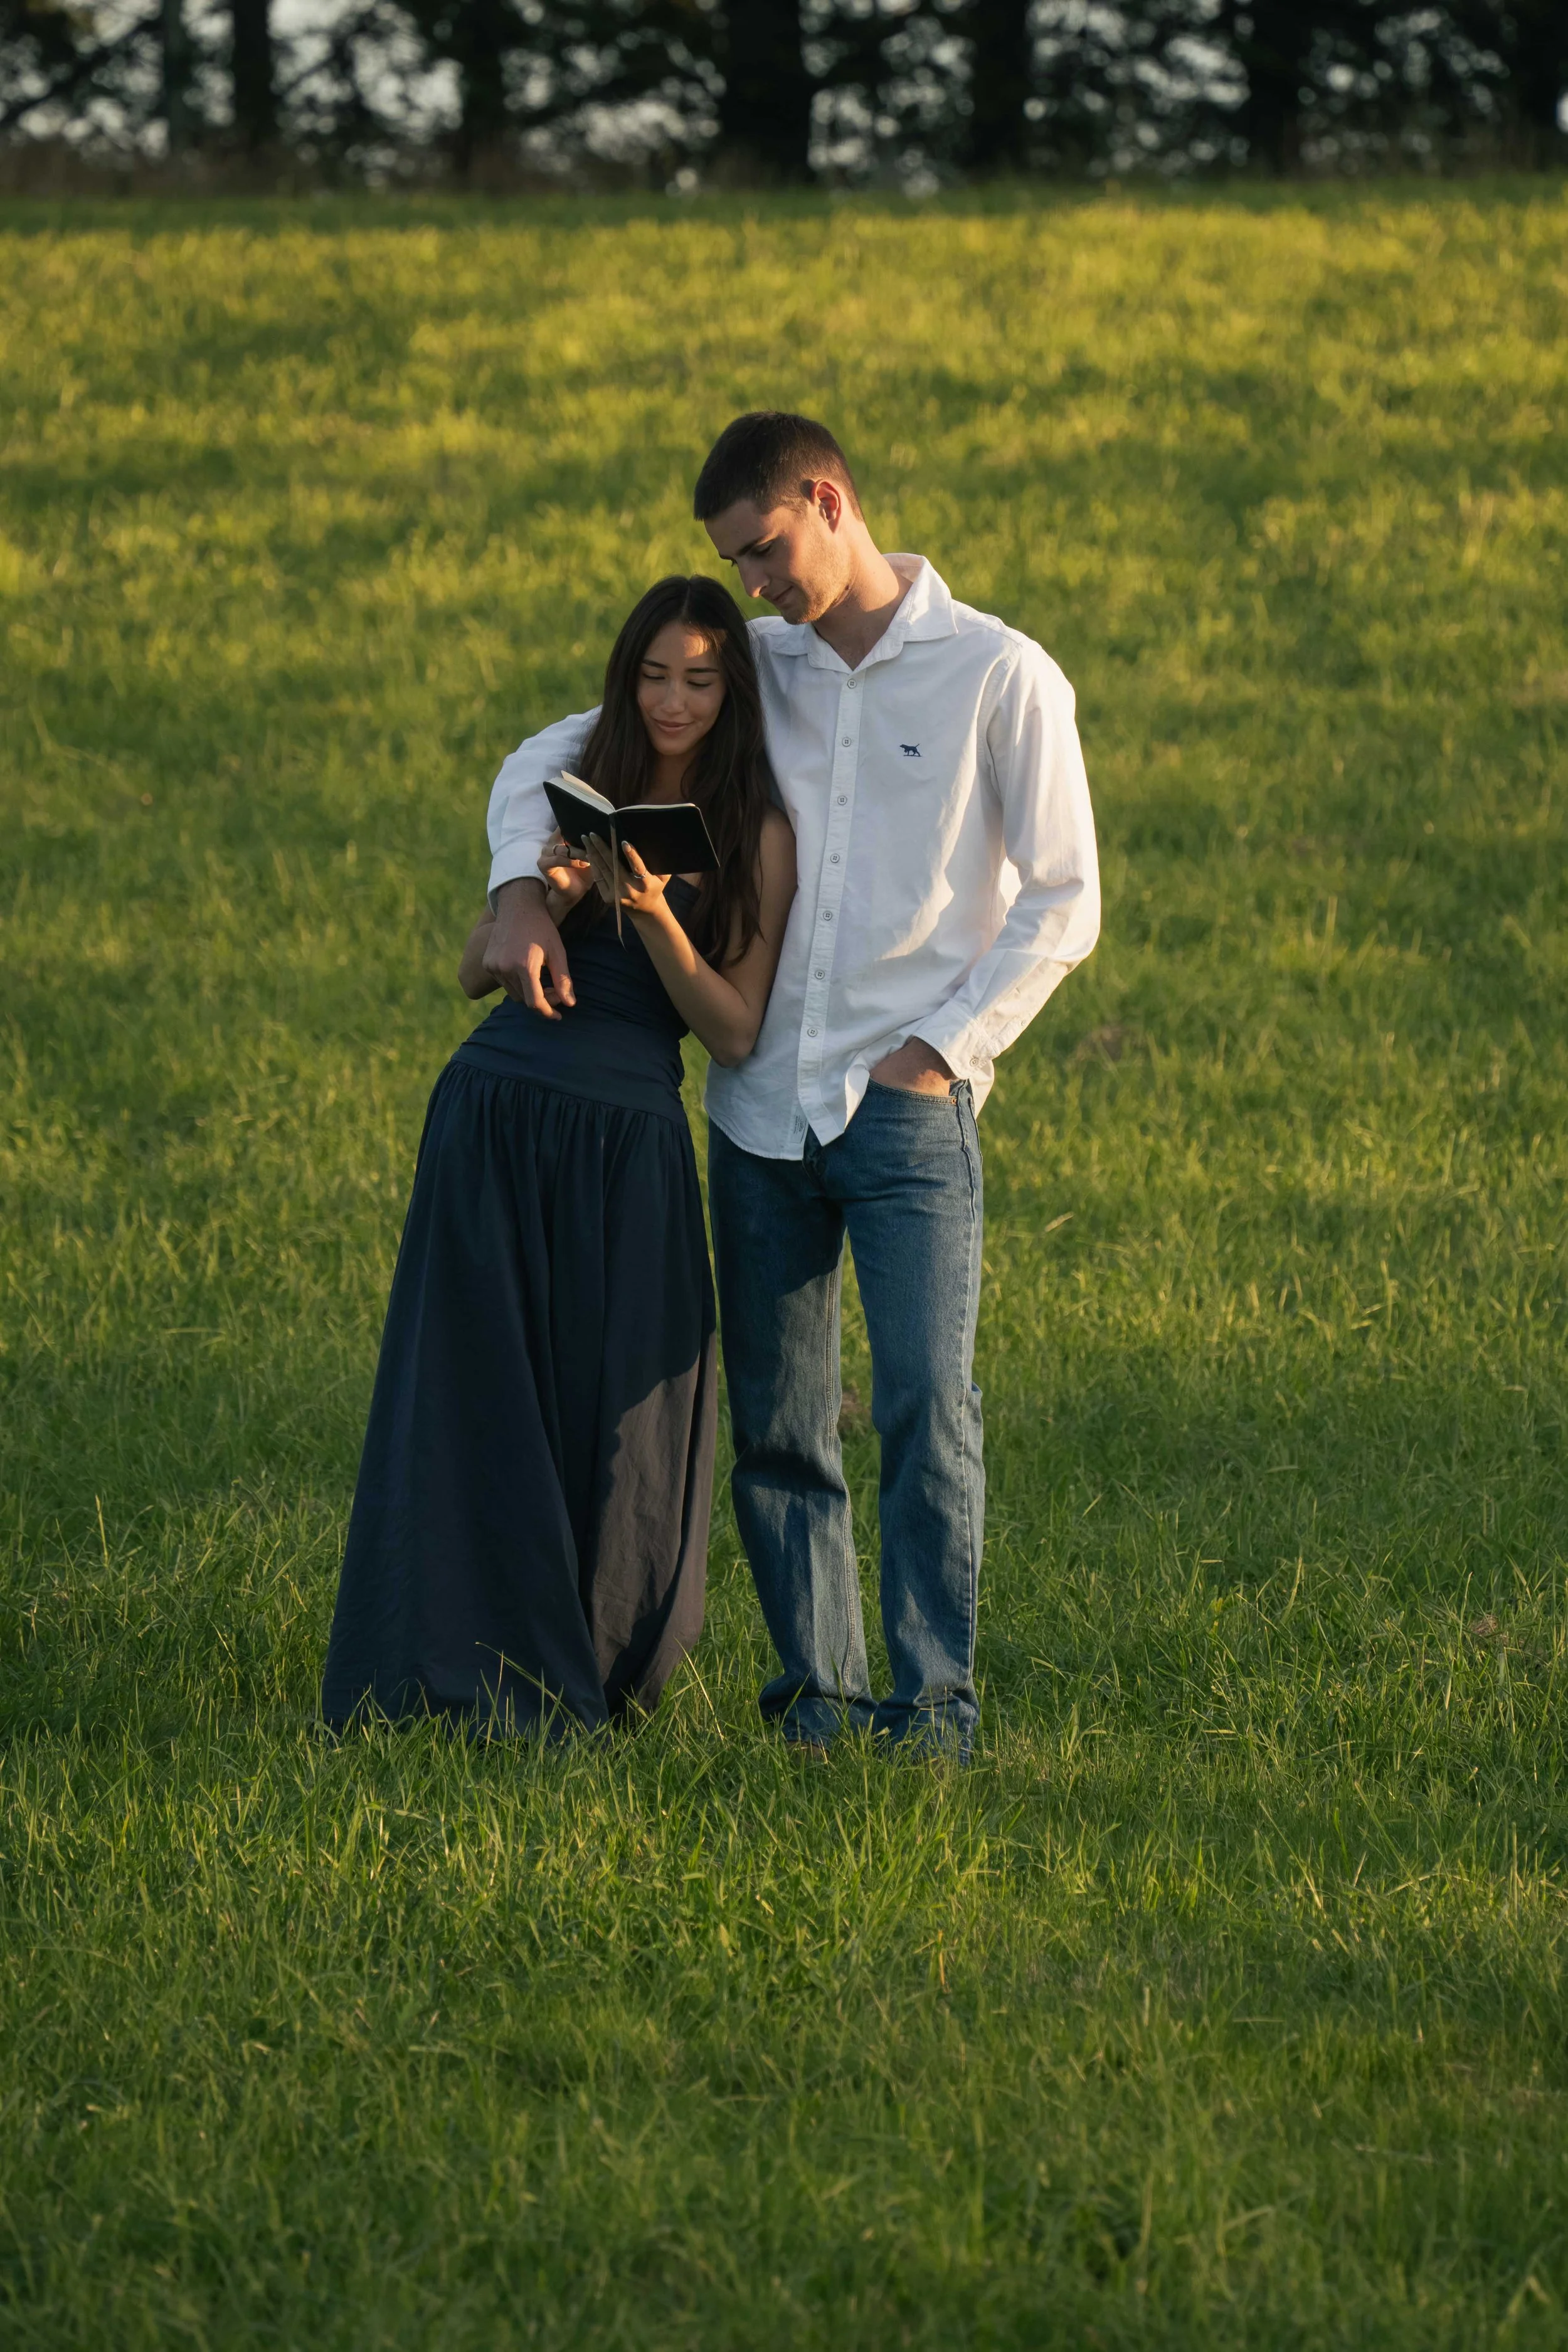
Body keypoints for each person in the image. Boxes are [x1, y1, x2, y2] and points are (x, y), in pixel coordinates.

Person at [481, 414, 1100, 1760]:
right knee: (776, 1427)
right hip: (757, 1114)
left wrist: (941, 1051)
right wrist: (520, 892)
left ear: (826, 500)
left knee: (924, 1409)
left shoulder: (999, 676)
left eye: (761, 548)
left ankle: (931, 1709)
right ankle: (813, 1708)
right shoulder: (752, 673)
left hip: (909, 1111)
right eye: (732, 561)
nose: (751, 581)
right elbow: (539, 757)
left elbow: (1064, 900)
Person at [321, 575, 796, 1736]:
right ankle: (444, 1664)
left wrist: (652, 911)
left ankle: (589, 1662)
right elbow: (473, 968)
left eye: (699, 678)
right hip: (497, 1105)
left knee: (622, 1411)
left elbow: (732, 1027)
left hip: (629, 1133)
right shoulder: (573, 789)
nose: (674, 701)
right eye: (654, 675)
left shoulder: (759, 835)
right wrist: (536, 905)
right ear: (624, 678)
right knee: (477, 1381)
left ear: (733, 689)